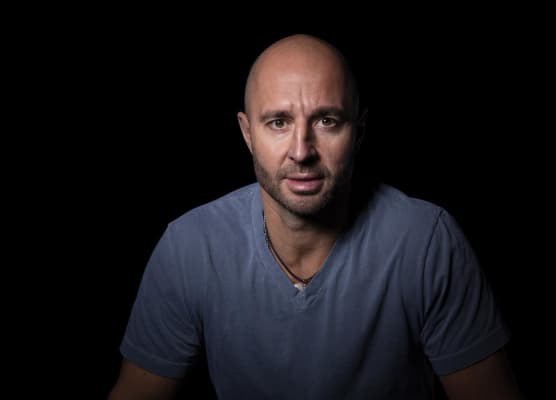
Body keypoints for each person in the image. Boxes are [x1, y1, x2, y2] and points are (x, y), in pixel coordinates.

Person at [108, 34, 522, 399]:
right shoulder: (190, 246)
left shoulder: (426, 241)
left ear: (359, 132)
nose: (302, 151)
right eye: (278, 122)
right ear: (247, 133)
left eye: (327, 121)